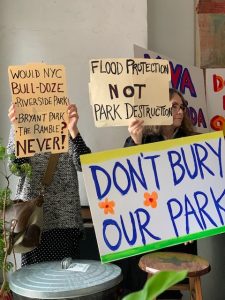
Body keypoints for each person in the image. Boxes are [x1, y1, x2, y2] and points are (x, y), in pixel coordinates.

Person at [122, 88, 197, 299]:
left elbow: (198, 189)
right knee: (139, 281)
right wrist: (135, 142)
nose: (180, 112)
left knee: (170, 289)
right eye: (174, 106)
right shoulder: (143, 138)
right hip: (148, 228)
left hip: (181, 230)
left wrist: (195, 224)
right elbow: (127, 181)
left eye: (182, 107)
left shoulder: (191, 141)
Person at [7, 103, 91, 266]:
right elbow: (16, 168)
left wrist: (73, 130)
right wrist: (18, 130)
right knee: (34, 284)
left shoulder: (64, 124)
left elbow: (86, 165)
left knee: (68, 283)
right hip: (32, 222)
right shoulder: (21, 124)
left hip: (65, 222)